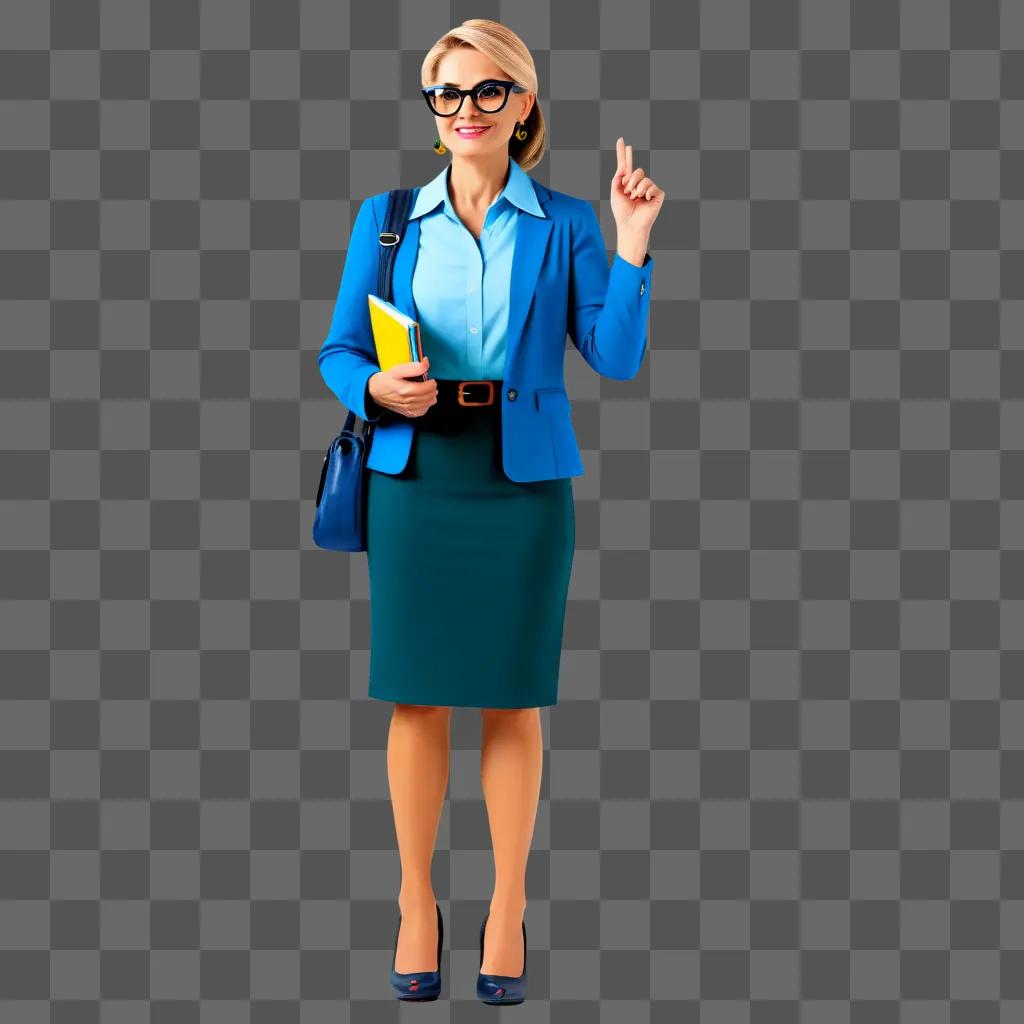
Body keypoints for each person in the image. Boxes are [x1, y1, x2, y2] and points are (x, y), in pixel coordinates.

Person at [317, 17, 664, 1004]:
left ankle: (507, 904)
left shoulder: (563, 224)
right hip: (417, 475)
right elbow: (339, 350)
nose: (465, 111)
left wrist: (631, 247)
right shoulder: (388, 219)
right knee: (415, 691)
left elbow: (615, 355)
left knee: (514, 695)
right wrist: (378, 393)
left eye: (486, 92)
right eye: (447, 94)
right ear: (432, 110)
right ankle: (415, 900)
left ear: (522, 104)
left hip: (522, 485)